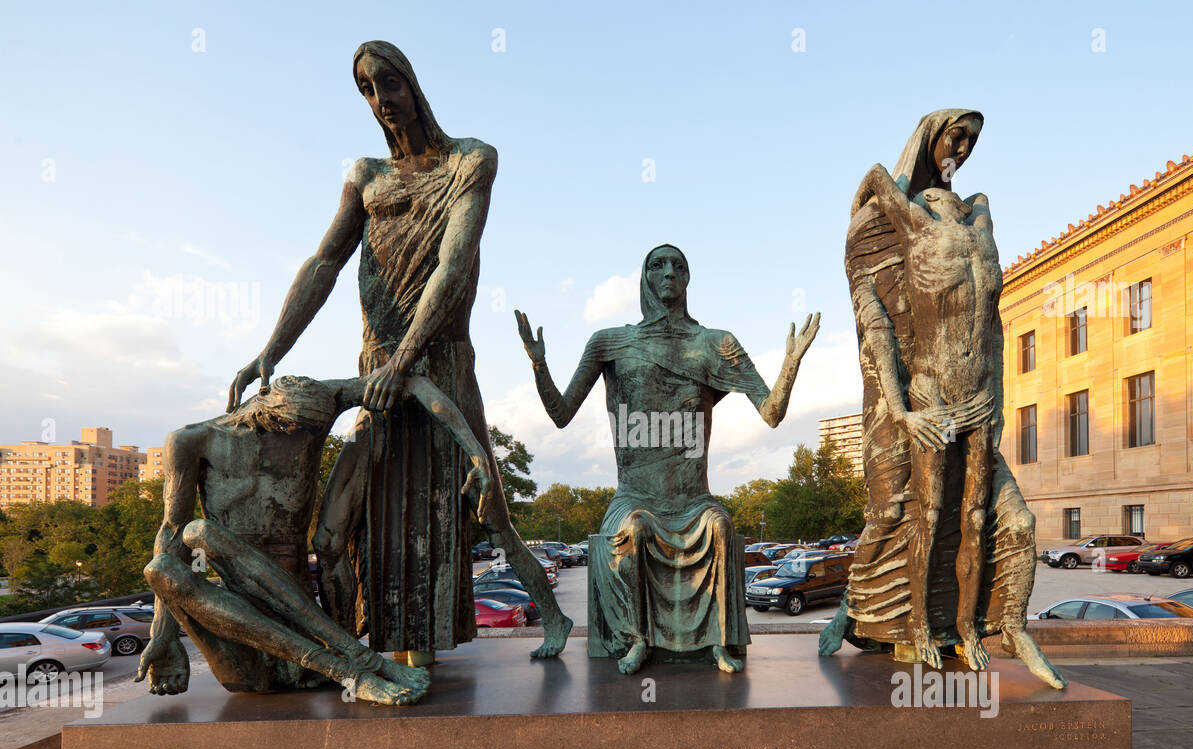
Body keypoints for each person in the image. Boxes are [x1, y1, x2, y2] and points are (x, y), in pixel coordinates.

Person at [226, 41, 571, 665]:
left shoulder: (471, 161)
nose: (381, 100)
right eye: (366, 90)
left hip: (437, 366)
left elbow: (453, 264)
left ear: (412, 84)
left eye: (389, 83)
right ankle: (342, 652)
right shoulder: (365, 176)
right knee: (338, 527)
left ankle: (551, 616)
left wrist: (406, 358)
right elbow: (325, 263)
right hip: (376, 374)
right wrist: (269, 350)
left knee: (482, 505)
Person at [817, 110, 1065, 690]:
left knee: (1003, 521)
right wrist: (901, 409)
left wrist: (999, 400)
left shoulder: (979, 217)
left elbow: (995, 326)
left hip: (976, 400)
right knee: (900, 514)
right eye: (955, 136)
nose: (963, 148)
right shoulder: (901, 223)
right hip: (919, 396)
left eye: (972, 141)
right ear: (929, 141)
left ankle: (993, 626)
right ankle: (869, 612)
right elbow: (873, 311)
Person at [516, 244, 818, 674]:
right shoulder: (610, 342)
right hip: (635, 495)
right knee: (635, 530)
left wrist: (791, 362)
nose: (669, 272)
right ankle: (639, 639)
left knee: (721, 525)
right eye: (657, 265)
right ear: (644, 277)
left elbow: (770, 413)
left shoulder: (716, 343)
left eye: (678, 265)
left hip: (693, 498)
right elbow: (562, 414)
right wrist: (539, 365)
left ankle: (719, 642)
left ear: (689, 278)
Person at [138, 372, 493, 705]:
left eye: (309, 431)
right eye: (289, 427)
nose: (298, 437)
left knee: (199, 533)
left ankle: (350, 663)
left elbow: (412, 382)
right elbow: (171, 535)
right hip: (236, 620)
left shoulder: (317, 408)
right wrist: (163, 634)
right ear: (263, 401)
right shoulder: (190, 440)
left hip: (300, 607)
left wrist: (477, 453)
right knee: (181, 548)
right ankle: (353, 667)